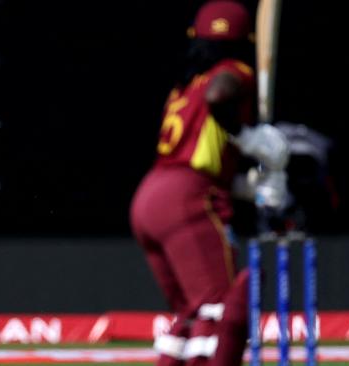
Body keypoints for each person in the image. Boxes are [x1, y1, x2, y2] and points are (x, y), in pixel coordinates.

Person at [129, 1, 289, 365]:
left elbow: (203, 153)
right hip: (186, 196)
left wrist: (246, 183)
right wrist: (249, 137)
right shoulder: (234, 72)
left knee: (190, 310)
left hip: (150, 197)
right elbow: (221, 95)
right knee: (222, 302)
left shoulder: (184, 87)